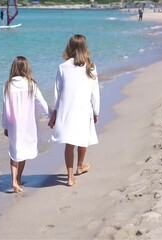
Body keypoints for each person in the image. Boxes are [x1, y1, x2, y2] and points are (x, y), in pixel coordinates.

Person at [48, 34, 100, 187]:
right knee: (82, 138)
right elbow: (94, 92)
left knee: (69, 143)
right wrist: (96, 111)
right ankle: (80, 165)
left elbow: (57, 93)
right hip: (84, 108)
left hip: (67, 109)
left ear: (69, 47)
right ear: (85, 48)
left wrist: (55, 112)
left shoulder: (62, 67)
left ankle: (70, 176)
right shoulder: (91, 66)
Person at [2, 56, 51, 193]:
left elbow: (5, 108)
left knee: (14, 151)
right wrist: (52, 116)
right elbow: (41, 103)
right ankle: (18, 179)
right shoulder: (31, 84)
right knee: (22, 152)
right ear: (26, 69)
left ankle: (14, 181)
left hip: (13, 124)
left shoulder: (8, 85)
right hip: (28, 124)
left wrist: (4, 125)